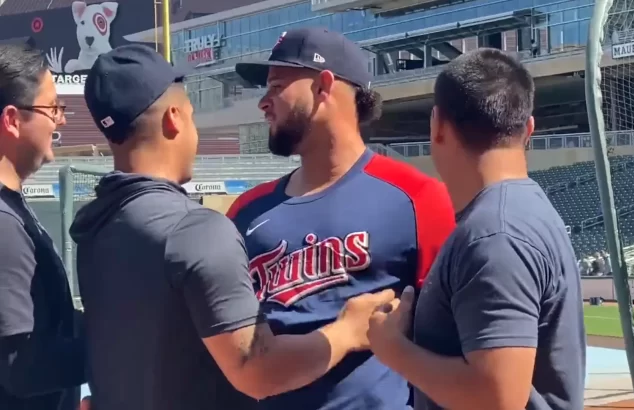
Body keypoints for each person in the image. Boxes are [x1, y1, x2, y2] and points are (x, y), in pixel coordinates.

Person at [70, 44, 395, 410]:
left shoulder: (95, 230)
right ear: (174, 118)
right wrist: (347, 331)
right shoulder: (193, 229)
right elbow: (256, 369)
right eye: (192, 116)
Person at [229, 27, 455, 410]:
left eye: (277, 86)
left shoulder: (419, 198)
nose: (264, 103)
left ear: (324, 87)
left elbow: (453, 343)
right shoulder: (245, 211)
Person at [367, 48, 586, 410]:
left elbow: (496, 398)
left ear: (437, 127)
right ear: (528, 128)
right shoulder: (519, 210)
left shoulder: (494, 233)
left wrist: (394, 350)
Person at [0, 44, 87, 410]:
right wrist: (120, 344)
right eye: (52, 108)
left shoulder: (11, 209)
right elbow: (22, 368)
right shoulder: (4, 224)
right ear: (12, 119)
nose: (61, 120)